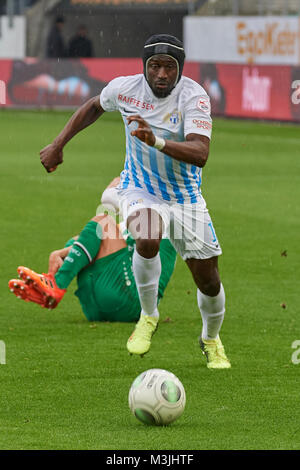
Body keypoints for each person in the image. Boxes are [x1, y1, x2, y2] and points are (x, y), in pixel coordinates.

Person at [39, 34, 231, 369]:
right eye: (154, 66)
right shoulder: (125, 89)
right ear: (144, 66)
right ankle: (148, 316)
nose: (160, 74)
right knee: (148, 234)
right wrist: (58, 144)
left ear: (179, 69)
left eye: (168, 67)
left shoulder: (193, 97)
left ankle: (211, 339)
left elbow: (201, 153)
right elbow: (94, 106)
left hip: (185, 197)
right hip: (139, 188)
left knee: (209, 280)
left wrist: (155, 140)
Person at [8, 178, 176, 325]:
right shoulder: (136, 217)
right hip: (98, 307)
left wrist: (119, 185)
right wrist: (59, 253)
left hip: (134, 302)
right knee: (81, 240)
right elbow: (95, 239)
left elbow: (109, 197)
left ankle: (57, 284)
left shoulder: (166, 209)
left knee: (103, 221)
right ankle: (49, 287)